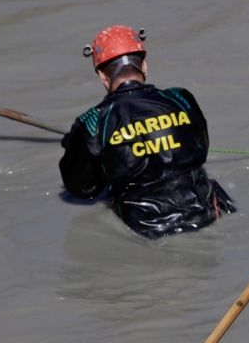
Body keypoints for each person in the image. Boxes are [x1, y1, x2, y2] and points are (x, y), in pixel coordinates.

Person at [59, 25, 236, 238]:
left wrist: (76, 145)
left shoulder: (93, 121)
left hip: (149, 230)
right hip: (206, 212)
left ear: (102, 77)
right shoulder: (180, 98)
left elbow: (82, 189)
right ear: (144, 65)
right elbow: (201, 149)